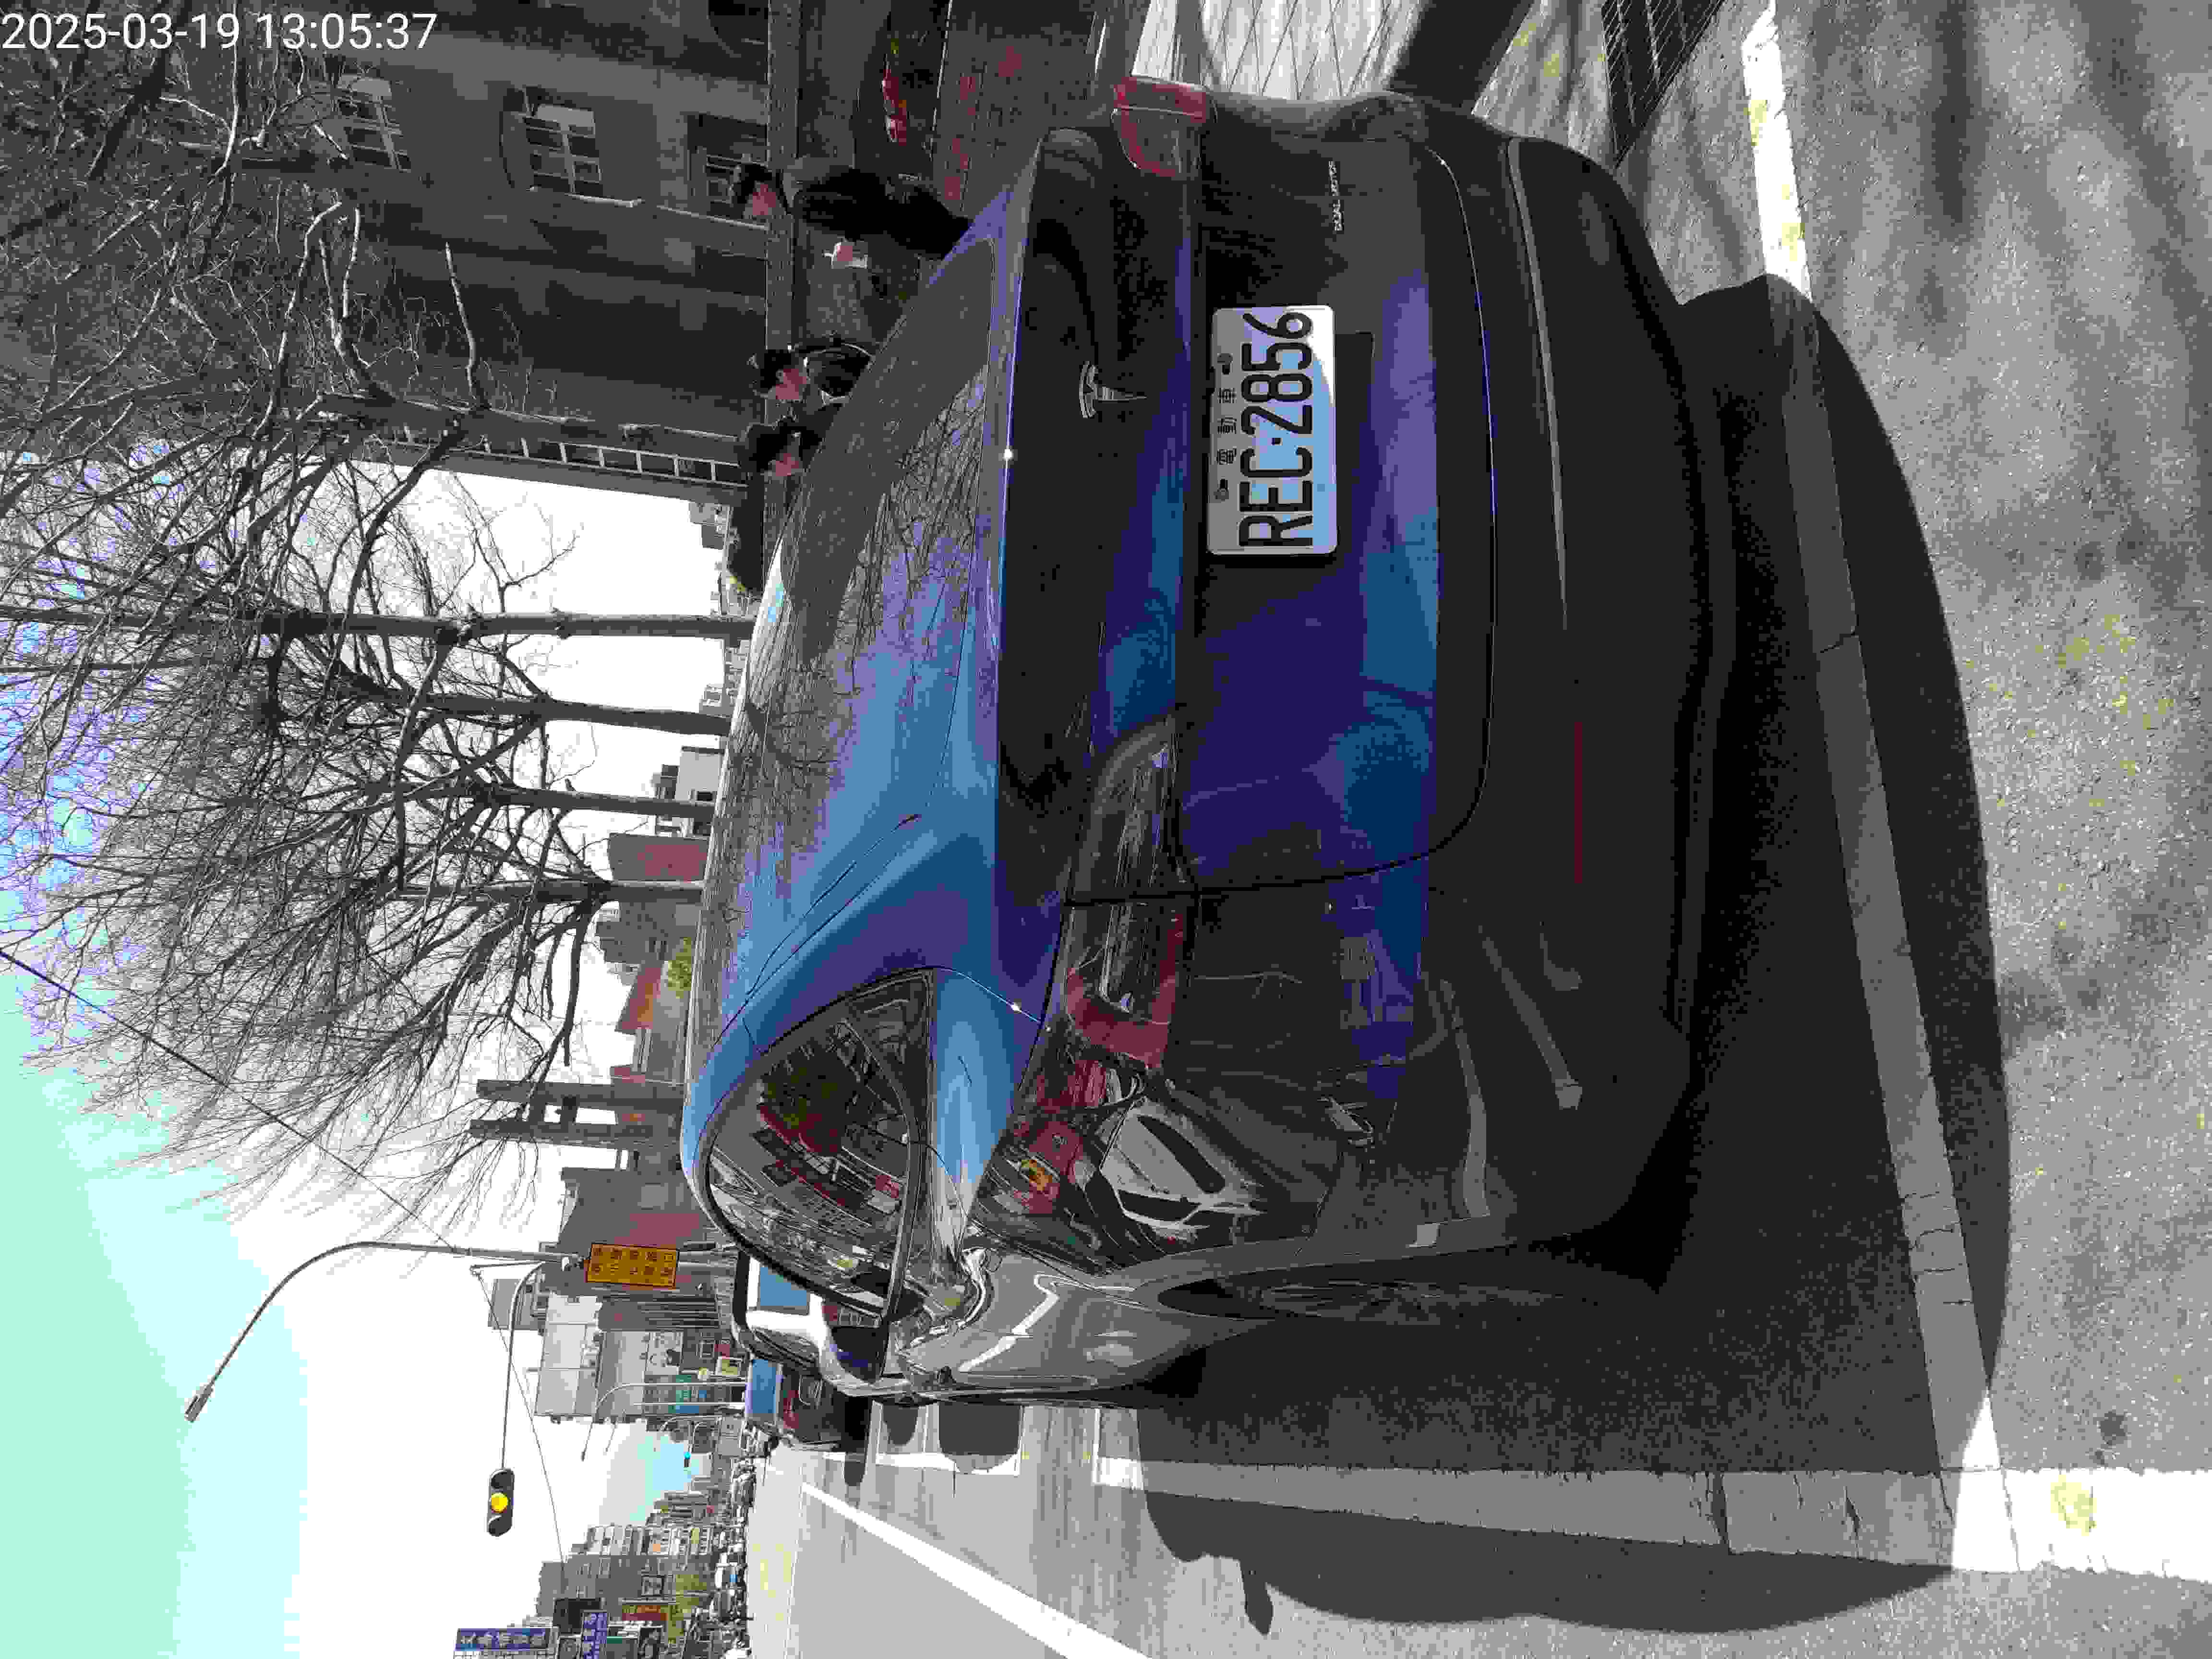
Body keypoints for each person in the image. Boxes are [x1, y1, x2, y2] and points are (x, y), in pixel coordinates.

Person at [736, 157, 970, 260]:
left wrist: (851, 247)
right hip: (907, 198)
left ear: (759, 189)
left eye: (752, 210)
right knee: (971, 234)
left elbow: (860, 215)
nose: (758, 216)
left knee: (969, 253)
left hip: (908, 223)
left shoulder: (799, 202)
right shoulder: (796, 168)